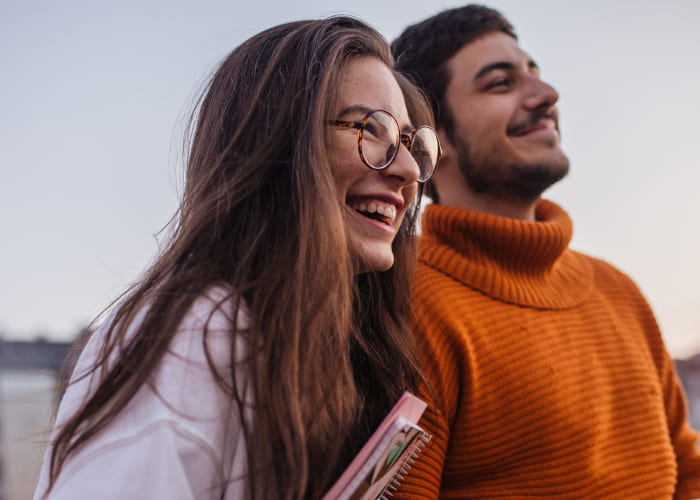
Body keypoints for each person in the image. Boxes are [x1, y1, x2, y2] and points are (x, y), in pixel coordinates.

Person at [33, 16, 442, 500]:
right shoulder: (195, 335)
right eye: (373, 130)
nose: (409, 171)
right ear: (278, 145)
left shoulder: (301, 339)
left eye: (413, 145)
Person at [390, 5, 700, 499]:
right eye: (500, 83)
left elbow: (688, 470)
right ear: (433, 141)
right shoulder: (403, 305)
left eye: (535, 73)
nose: (547, 95)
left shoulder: (619, 291)